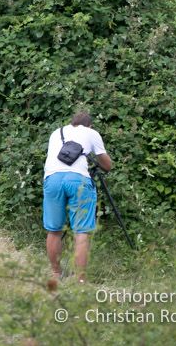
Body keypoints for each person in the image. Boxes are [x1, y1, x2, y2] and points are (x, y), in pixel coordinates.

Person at [43, 111, 113, 283]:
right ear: (89, 125)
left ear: (72, 122)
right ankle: (80, 279)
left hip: (52, 179)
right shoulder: (91, 133)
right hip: (78, 179)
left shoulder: (56, 132)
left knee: (54, 230)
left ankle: (56, 274)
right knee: (81, 231)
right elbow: (107, 165)